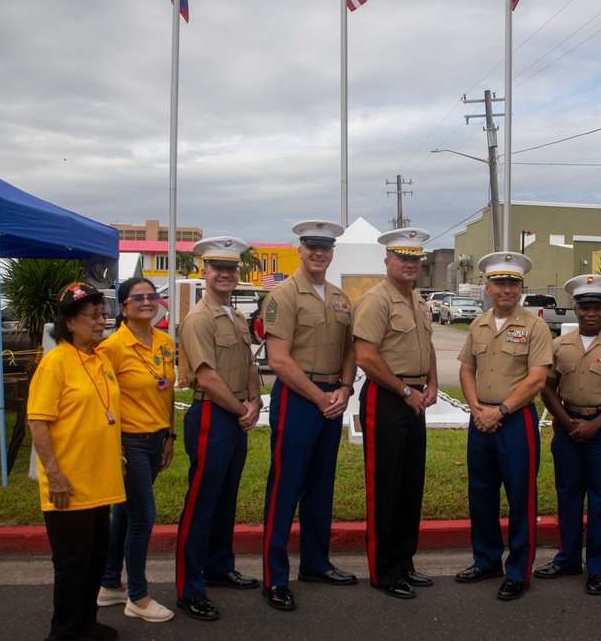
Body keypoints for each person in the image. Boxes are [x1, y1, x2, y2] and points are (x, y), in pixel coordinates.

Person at [260, 221, 358, 612]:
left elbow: (351, 349)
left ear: (332, 253)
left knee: (321, 486)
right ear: (299, 250)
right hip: (300, 400)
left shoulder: (340, 297)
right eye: (312, 247)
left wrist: (345, 389)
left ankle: (315, 564)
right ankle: (275, 577)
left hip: (332, 398)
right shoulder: (283, 295)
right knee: (285, 487)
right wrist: (320, 397)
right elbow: (278, 359)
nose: (319, 254)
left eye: (326, 248)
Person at [28, 281, 124, 641]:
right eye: (93, 315)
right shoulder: (56, 363)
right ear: (69, 321)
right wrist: (54, 475)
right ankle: (65, 631)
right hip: (69, 485)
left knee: (95, 559)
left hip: (100, 482)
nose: (102, 321)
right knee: (72, 565)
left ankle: (86, 622)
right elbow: (38, 421)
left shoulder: (99, 358)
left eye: (103, 314)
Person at [455, 252, 552, 602]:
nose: (506, 289)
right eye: (499, 283)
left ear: (521, 288)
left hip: (515, 422)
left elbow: (538, 378)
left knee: (520, 497)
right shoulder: (478, 324)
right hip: (480, 418)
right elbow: (467, 369)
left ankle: (518, 571)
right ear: (487, 287)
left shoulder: (535, 327)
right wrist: (476, 407)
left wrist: (501, 410)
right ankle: (486, 561)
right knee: (481, 494)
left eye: (513, 283)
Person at [175, 236, 263, 622]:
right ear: (204, 272)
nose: (226, 274)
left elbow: (249, 366)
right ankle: (189, 587)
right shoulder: (198, 319)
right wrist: (242, 408)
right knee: (201, 501)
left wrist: (256, 401)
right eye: (218, 268)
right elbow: (207, 378)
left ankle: (219, 566)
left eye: (231, 268)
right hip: (212, 414)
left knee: (226, 497)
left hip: (235, 413)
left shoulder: (237, 317)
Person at [536, 274, 601, 596]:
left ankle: (597, 567)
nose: (590, 313)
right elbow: (547, 387)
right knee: (567, 495)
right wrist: (567, 422)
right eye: (584, 307)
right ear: (576, 310)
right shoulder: (558, 346)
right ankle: (567, 558)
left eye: (597, 307)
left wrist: (594, 425)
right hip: (567, 428)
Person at [353, 227, 438, 600]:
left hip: (415, 399)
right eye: (402, 258)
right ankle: (383, 571)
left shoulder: (417, 300)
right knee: (385, 486)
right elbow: (366, 356)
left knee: (410, 485)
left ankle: (405, 562)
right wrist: (405, 391)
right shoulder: (377, 300)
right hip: (387, 399)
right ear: (387, 261)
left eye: (415, 258)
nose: (410, 264)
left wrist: (431, 383)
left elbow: (428, 345)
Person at [96, 278, 177, 623]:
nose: (147, 301)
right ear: (123, 307)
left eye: (152, 296)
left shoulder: (165, 340)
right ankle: (138, 597)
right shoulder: (112, 347)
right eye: (138, 297)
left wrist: (170, 435)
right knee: (143, 517)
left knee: (124, 514)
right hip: (128, 441)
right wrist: (114, 451)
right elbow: (103, 402)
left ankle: (110, 583)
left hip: (156, 437)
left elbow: (167, 391)